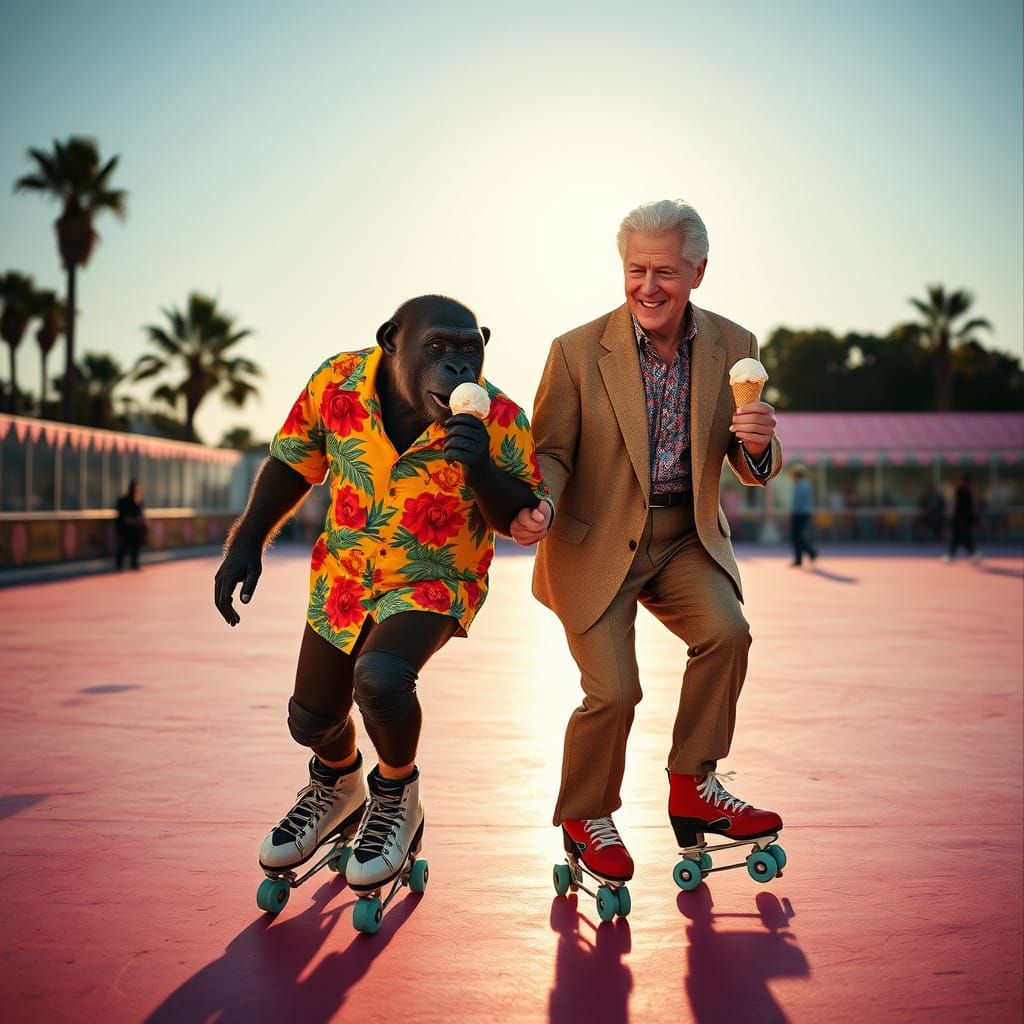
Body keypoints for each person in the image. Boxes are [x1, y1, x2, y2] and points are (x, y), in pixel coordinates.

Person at [214, 295, 549, 912]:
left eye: (469, 349)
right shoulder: (335, 383)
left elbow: (515, 513)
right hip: (345, 574)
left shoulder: (499, 416)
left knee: (383, 677)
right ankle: (338, 782)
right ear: (392, 341)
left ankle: (396, 792)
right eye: (438, 349)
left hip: (435, 576)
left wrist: (480, 468)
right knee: (310, 720)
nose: (456, 366)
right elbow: (293, 463)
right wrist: (246, 543)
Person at [511, 199, 784, 888]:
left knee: (728, 633)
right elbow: (551, 451)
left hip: (685, 535)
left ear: (698, 271)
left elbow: (749, 462)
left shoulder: (736, 345)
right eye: (636, 270)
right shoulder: (575, 352)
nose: (649, 287)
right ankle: (586, 814)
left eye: (665, 271)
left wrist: (758, 444)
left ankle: (694, 783)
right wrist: (537, 498)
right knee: (614, 691)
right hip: (595, 542)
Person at [945, 473, 980, 563]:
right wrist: (974, 516)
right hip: (967, 517)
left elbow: (954, 505)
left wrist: (951, 515)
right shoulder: (970, 490)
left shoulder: (958, 490)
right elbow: (974, 505)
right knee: (960, 536)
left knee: (958, 536)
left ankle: (953, 555)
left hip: (959, 517)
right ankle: (953, 554)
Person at [114, 479, 146, 571]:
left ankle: (134, 562)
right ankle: (119, 563)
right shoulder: (124, 501)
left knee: (138, 538)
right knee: (125, 542)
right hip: (125, 529)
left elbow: (141, 515)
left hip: (135, 530)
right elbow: (125, 518)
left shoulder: (139, 502)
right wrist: (135, 522)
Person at [789, 465, 817, 567]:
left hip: (799, 514)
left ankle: (808, 554)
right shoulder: (806, 485)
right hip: (804, 514)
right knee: (799, 536)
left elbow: (798, 503)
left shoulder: (799, 486)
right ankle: (803, 556)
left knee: (797, 537)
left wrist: (793, 513)